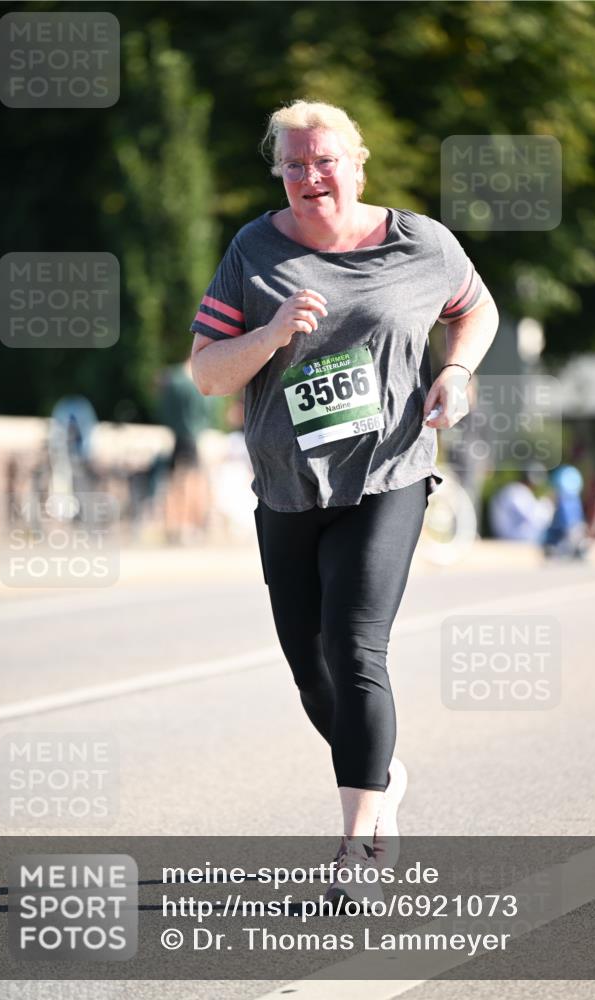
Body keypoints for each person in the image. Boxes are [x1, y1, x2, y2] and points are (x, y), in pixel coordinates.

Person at [190, 100, 499, 908]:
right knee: (312, 672)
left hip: (386, 474)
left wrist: (457, 373)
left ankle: (358, 847)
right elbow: (206, 372)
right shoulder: (253, 251)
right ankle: (379, 773)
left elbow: (476, 308)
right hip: (287, 488)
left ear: (357, 164)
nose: (308, 177)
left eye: (323, 161)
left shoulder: (420, 243)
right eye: (292, 164)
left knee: (355, 647)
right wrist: (272, 334)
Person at [156, 360, 212, 544]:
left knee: (173, 483)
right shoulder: (193, 382)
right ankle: (190, 526)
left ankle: (173, 526)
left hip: (176, 437)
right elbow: (204, 413)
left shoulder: (172, 380)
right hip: (192, 437)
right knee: (191, 482)